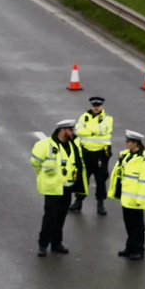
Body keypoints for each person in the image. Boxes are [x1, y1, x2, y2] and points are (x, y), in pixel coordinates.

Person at [30, 119, 87, 257]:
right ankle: (43, 244)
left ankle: (56, 243)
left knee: (61, 217)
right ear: (63, 130)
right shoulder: (45, 145)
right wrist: (44, 175)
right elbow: (35, 163)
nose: (73, 133)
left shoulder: (73, 146)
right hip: (52, 188)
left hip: (67, 187)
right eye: (70, 130)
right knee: (50, 217)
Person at [110, 130, 145, 261]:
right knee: (129, 225)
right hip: (126, 198)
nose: (126, 143)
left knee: (137, 226)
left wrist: (140, 199)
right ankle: (130, 247)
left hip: (136, 199)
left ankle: (139, 250)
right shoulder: (126, 155)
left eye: (128, 142)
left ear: (135, 143)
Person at [72, 95, 114, 215]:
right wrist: (93, 130)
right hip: (85, 152)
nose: (96, 108)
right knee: (82, 178)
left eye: (98, 106)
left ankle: (100, 203)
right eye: (94, 106)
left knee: (100, 179)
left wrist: (88, 130)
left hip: (101, 153)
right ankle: (78, 201)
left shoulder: (107, 118)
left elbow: (103, 130)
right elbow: (78, 130)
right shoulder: (84, 116)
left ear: (102, 106)